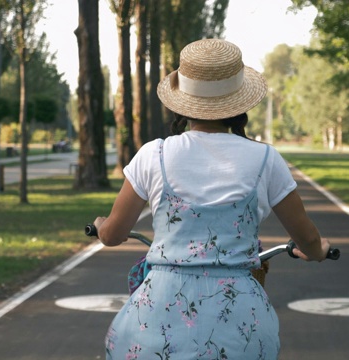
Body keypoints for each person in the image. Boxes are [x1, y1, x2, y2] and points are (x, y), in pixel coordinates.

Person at [92, 38, 331, 359]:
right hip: (242, 326)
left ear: (181, 101)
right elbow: (307, 237)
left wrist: (102, 226)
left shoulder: (154, 154)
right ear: (240, 102)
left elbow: (114, 235)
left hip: (155, 321)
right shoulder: (265, 158)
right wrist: (317, 251)